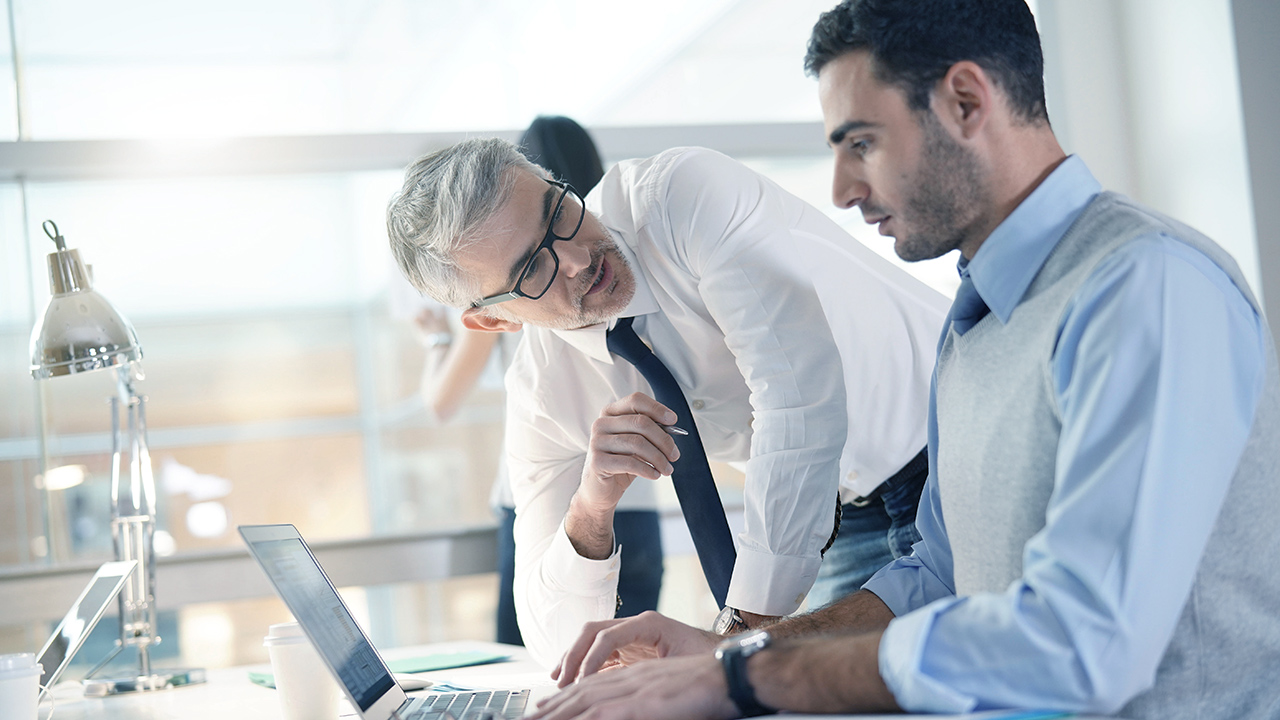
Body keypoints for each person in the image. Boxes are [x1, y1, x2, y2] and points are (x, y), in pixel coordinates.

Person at [527, 0, 1280, 718]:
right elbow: (934, 580)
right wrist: (726, 655)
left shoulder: (1145, 287)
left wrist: (750, 677)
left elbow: (1085, 641)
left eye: (862, 143)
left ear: (964, 101)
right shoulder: (973, 326)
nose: (843, 189)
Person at [386, 135, 947, 665]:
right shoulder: (544, 389)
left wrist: (730, 639)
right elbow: (554, 639)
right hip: (845, 513)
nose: (576, 259)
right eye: (532, 270)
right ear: (493, 319)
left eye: (557, 214)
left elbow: (798, 400)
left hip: (953, 441)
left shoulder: (684, 195)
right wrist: (590, 506)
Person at [417, 116, 668, 647]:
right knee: (632, 677)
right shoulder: (609, 253)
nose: (559, 263)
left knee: (556, 673)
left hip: (552, 511)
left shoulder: (506, 275)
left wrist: (435, 341)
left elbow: (441, 401)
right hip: (642, 504)